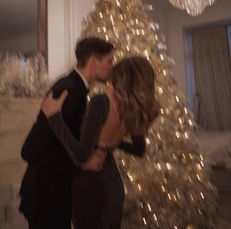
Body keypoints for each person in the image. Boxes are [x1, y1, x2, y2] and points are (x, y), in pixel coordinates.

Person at [41, 56, 159, 229]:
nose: (110, 81)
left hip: (90, 187)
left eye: (115, 76)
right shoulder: (133, 110)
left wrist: (54, 117)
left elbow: (82, 156)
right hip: (113, 186)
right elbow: (139, 149)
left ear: (122, 80)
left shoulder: (101, 102)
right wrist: (107, 143)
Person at [19, 37, 114, 229]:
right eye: (109, 62)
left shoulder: (75, 88)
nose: (112, 67)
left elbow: (65, 140)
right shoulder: (68, 90)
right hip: (46, 194)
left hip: (52, 191)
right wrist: (83, 163)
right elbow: (31, 150)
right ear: (94, 62)